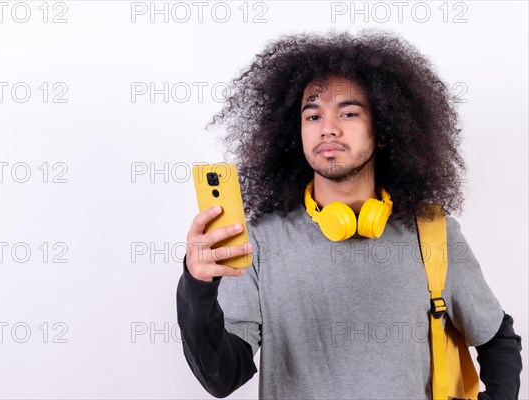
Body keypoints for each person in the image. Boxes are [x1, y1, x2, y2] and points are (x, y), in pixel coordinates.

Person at [176, 29, 522, 399]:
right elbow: (221, 377)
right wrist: (198, 285)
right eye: (312, 116)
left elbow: (498, 336)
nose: (328, 128)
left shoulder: (434, 233)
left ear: (385, 129)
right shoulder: (260, 239)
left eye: (349, 112)